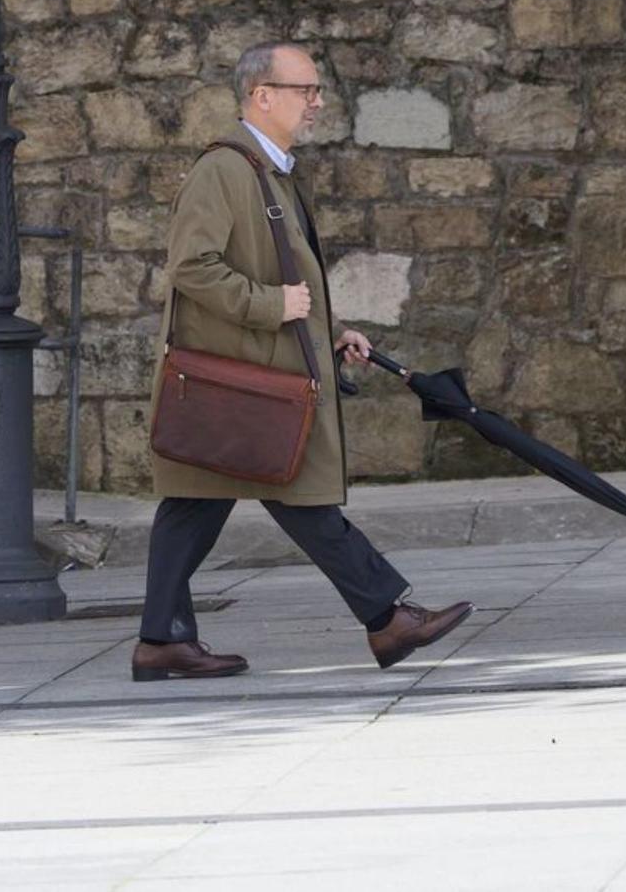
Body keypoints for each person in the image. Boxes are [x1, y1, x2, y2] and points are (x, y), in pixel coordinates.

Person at [132, 41, 474, 681]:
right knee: (296, 495)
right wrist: (272, 306)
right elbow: (192, 268)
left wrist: (331, 331)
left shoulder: (273, 172)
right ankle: (387, 617)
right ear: (262, 95)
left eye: (317, 90)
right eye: (305, 90)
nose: (317, 102)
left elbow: (283, 272)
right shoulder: (225, 170)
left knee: (194, 503)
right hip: (248, 382)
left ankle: (162, 640)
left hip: (255, 375)